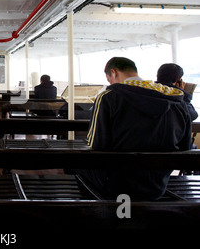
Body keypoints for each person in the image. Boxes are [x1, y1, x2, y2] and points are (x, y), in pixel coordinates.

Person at [77, 57, 192, 200]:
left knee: (74, 167)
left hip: (116, 184)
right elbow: (185, 147)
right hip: (158, 185)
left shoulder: (108, 97)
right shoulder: (176, 99)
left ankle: (100, 215)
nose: (110, 83)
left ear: (114, 72)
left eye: (109, 79)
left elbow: (97, 144)